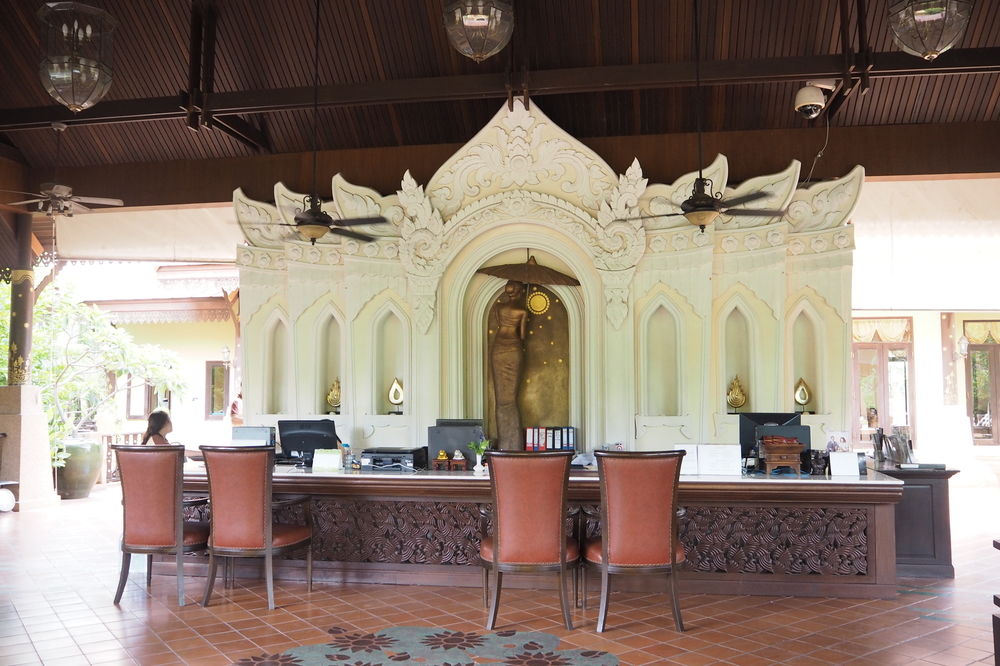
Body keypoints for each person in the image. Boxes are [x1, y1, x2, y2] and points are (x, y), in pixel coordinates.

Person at [489, 281, 528, 450]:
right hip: (513, 348)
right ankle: (514, 445)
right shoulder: (522, 311)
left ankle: (506, 443)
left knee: (501, 398)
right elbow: (522, 335)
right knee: (510, 398)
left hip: (498, 347)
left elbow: (500, 324)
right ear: (520, 292)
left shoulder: (498, 307)